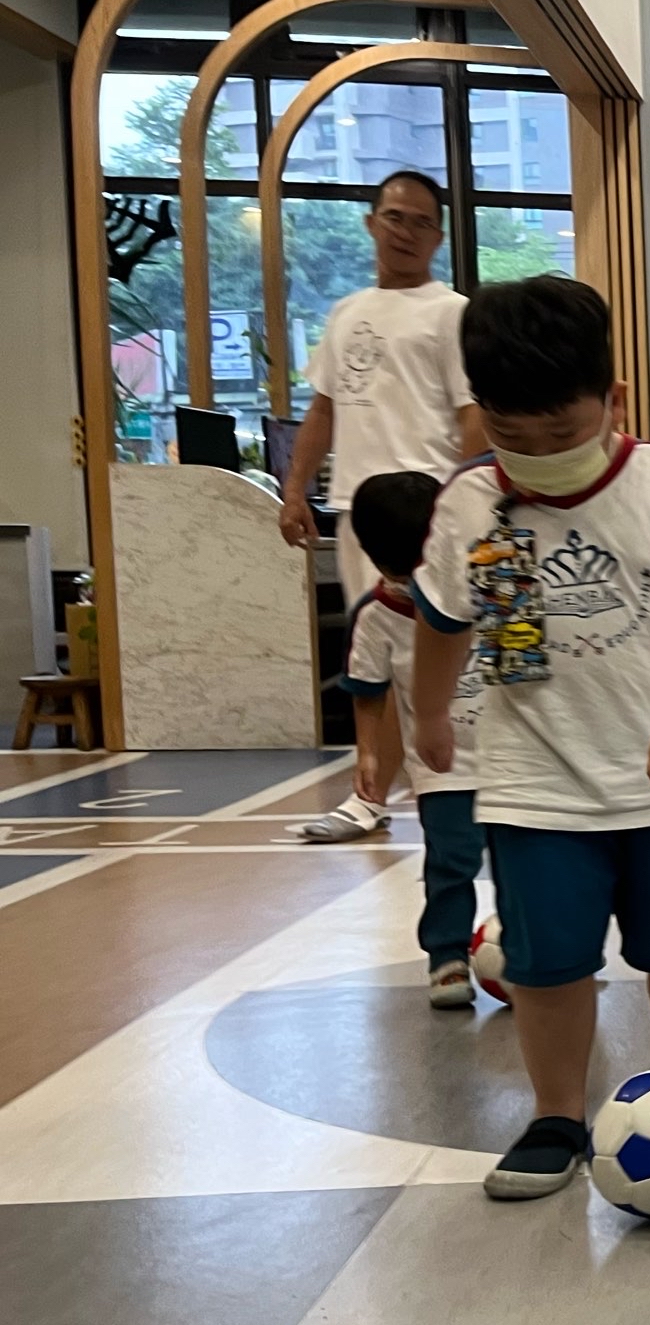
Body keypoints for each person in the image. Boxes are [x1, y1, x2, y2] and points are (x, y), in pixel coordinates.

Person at [409, 276, 650, 1199]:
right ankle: (557, 1113)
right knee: (546, 961)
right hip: (535, 782)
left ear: (614, 402)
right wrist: (429, 713)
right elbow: (441, 620)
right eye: (511, 433)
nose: (537, 454)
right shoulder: (470, 504)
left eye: (561, 431)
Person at [279, 171, 487, 846]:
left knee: (436, 653)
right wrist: (295, 488)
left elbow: (472, 416)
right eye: (394, 217)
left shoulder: (450, 312)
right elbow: (323, 410)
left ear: (439, 236)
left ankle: (452, 783)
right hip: (359, 514)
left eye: (421, 222)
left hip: (429, 514)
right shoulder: (346, 313)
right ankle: (370, 794)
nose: (405, 231)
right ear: (371, 223)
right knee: (374, 660)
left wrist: (463, 501)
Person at [339, 471, 490, 1008]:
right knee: (451, 862)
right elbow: (367, 688)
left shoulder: (488, 587)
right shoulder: (376, 616)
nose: (414, 582)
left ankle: (538, 953)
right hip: (442, 769)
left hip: (514, 759)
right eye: (402, 572)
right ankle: (447, 957)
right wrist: (368, 753)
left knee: (529, 862)